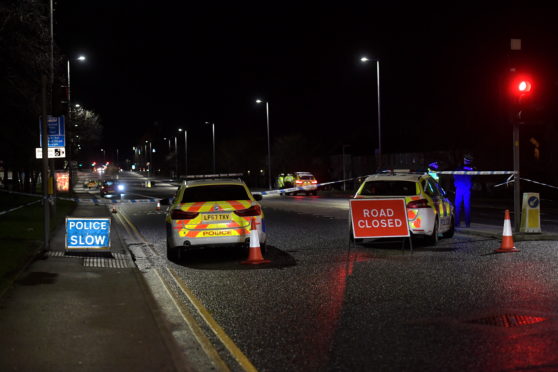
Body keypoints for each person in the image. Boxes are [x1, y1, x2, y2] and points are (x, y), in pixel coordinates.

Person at [453, 154, 474, 228]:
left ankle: (457, 223)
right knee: (466, 206)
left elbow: (454, 176)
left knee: (458, 206)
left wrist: (456, 184)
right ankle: (467, 224)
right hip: (466, 189)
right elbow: (472, 177)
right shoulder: (471, 169)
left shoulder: (459, 168)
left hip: (460, 188)